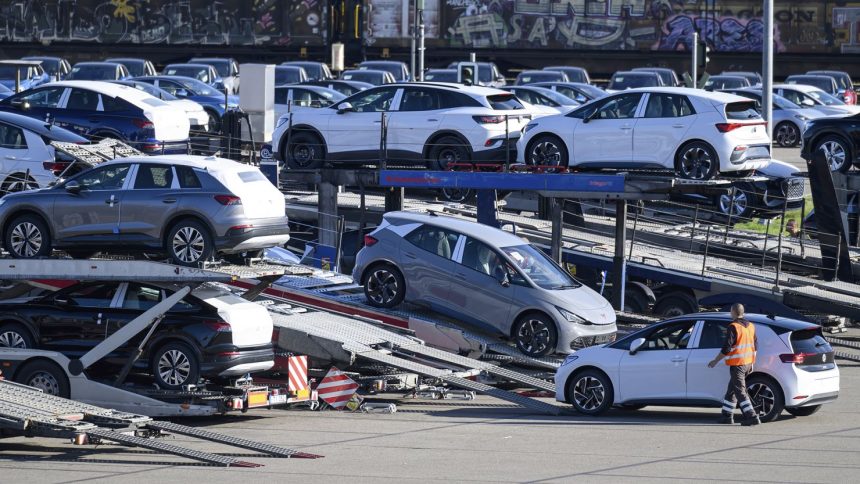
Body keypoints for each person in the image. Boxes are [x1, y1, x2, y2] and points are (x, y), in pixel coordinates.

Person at [708, 303, 760, 426]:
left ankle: (751, 416)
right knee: (732, 389)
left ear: (733, 312)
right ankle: (727, 416)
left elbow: (727, 348)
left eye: (731, 311)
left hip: (738, 364)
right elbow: (755, 345)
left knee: (740, 391)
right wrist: (752, 361)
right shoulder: (751, 326)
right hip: (747, 363)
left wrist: (715, 361)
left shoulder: (733, 326)